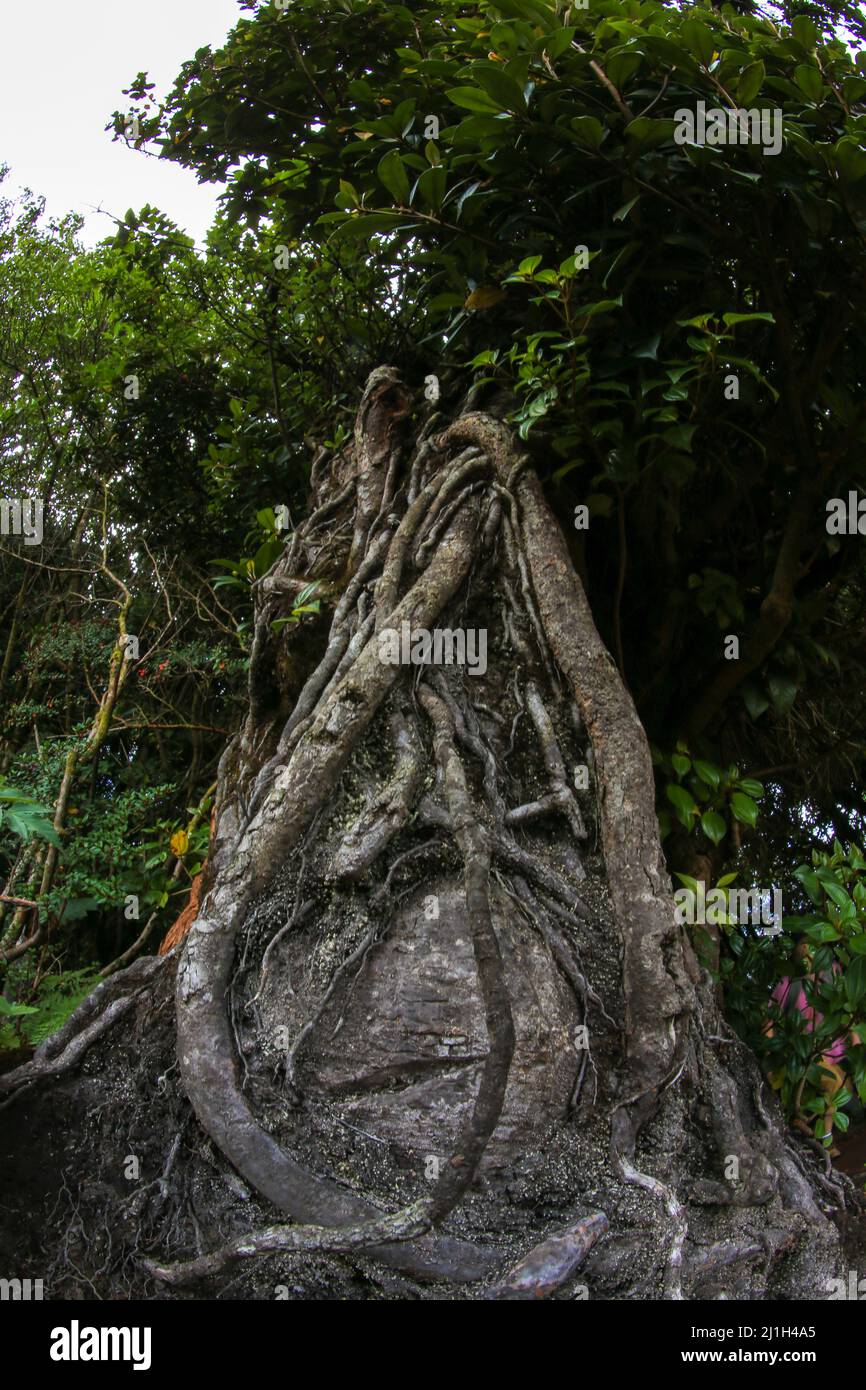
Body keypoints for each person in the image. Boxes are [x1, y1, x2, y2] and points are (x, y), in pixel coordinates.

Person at [763, 941, 860, 1156]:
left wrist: (855, 1038)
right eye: (804, 956)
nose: (809, 960)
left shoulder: (832, 974)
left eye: (813, 955)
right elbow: (768, 1025)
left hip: (837, 1054)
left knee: (841, 1091)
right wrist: (769, 1062)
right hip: (806, 1056)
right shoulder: (788, 985)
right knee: (832, 1085)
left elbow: (843, 1012)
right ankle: (825, 1140)